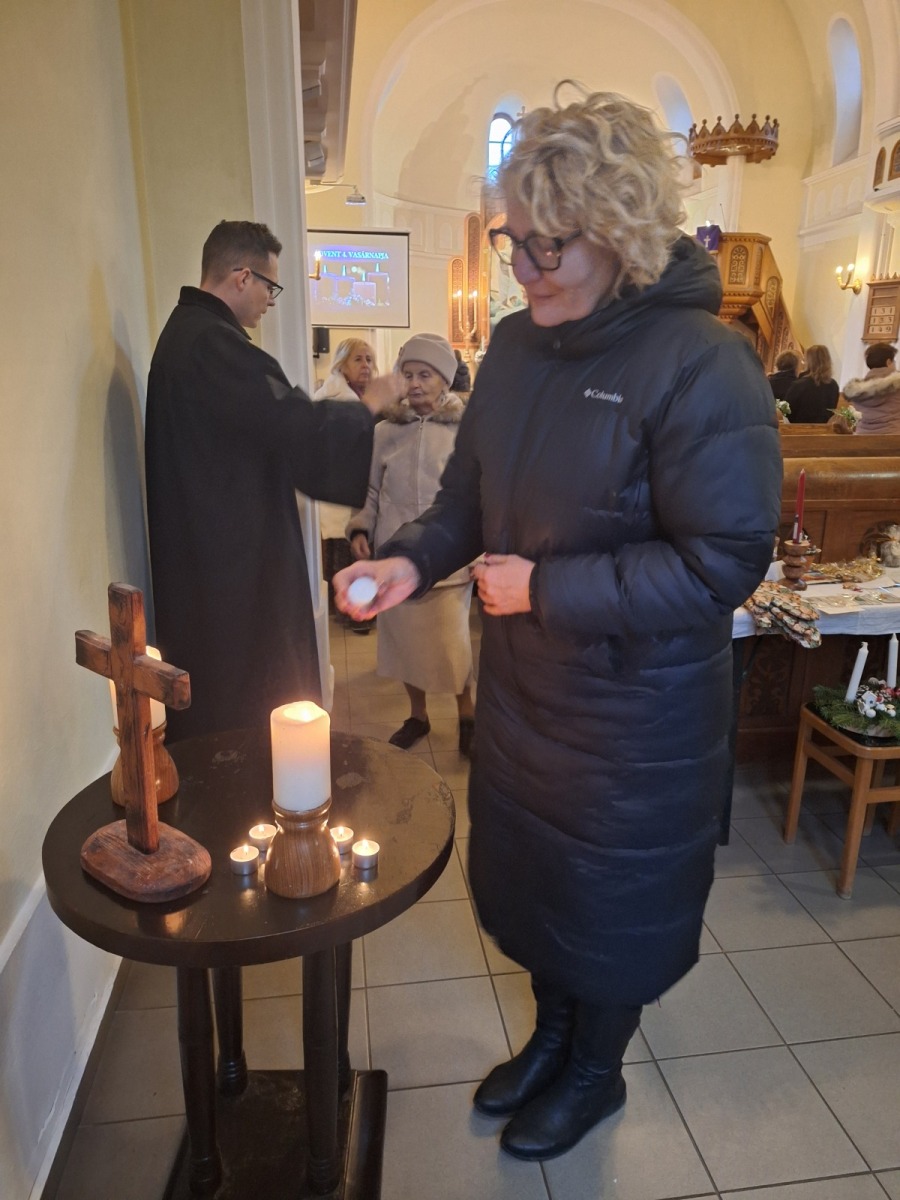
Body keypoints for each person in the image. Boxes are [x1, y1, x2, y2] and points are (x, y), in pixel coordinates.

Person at [335, 86, 781, 1162]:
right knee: (540, 887)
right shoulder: (518, 349)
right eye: (514, 240)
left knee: (611, 904)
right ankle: (550, 1040)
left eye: (551, 244)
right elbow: (466, 501)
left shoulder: (701, 362)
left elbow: (723, 563)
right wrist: (409, 560)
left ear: (619, 232)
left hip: (638, 717)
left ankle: (595, 1070)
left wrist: (546, 590)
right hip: (529, 697)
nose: (526, 267)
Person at [145, 220, 397, 741]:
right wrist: (367, 406)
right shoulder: (211, 344)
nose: (270, 301)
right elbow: (294, 427)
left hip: (208, 560)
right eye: (270, 287)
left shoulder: (188, 335)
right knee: (249, 708)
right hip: (233, 572)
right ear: (242, 276)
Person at [347, 333, 475, 754]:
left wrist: (483, 551)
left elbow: (479, 497)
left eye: (425, 375)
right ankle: (417, 715)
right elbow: (369, 490)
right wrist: (361, 529)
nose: (415, 383)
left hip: (450, 561)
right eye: (408, 374)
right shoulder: (384, 431)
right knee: (404, 647)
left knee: (452, 647)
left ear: (445, 380)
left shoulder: (465, 432)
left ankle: (467, 714)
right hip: (394, 556)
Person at [313, 338, 379, 630]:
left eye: (369, 360)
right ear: (342, 365)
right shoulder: (334, 400)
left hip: (358, 490)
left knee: (355, 548)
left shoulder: (367, 398)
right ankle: (353, 612)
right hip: (342, 490)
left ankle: (356, 608)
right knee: (346, 551)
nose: (366, 366)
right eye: (358, 359)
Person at [843, 342, 900, 434]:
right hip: (894, 436)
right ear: (888, 362)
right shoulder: (897, 385)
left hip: (863, 437)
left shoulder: (857, 390)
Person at [783, 344, 839, 423]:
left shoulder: (799, 385)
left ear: (809, 361)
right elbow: (831, 411)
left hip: (798, 428)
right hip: (824, 429)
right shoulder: (833, 385)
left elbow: (786, 412)